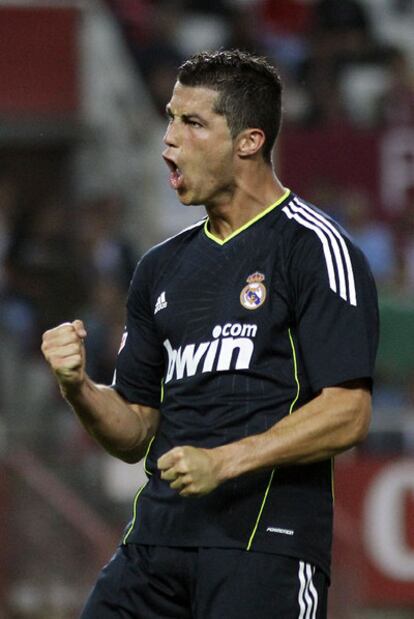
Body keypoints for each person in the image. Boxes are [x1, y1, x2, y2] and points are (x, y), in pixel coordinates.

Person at [41, 49, 379, 618]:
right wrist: (78, 386)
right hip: (154, 544)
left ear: (248, 141)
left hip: (265, 546)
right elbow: (134, 430)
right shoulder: (160, 267)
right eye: (170, 118)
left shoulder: (315, 248)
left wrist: (222, 462)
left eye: (192, 123)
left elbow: (349, 412)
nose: (169, 139)